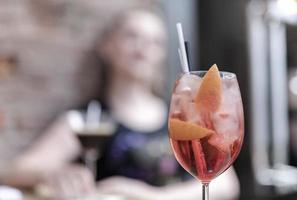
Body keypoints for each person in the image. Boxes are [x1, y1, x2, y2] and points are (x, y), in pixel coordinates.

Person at [96, 10, 240, 200]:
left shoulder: (182, 113)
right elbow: (42, 166)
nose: (143, 46)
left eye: (155, 42)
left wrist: (150, 196)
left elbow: (226, 184)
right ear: (107, 46)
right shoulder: (91, 117)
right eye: (132, 35)